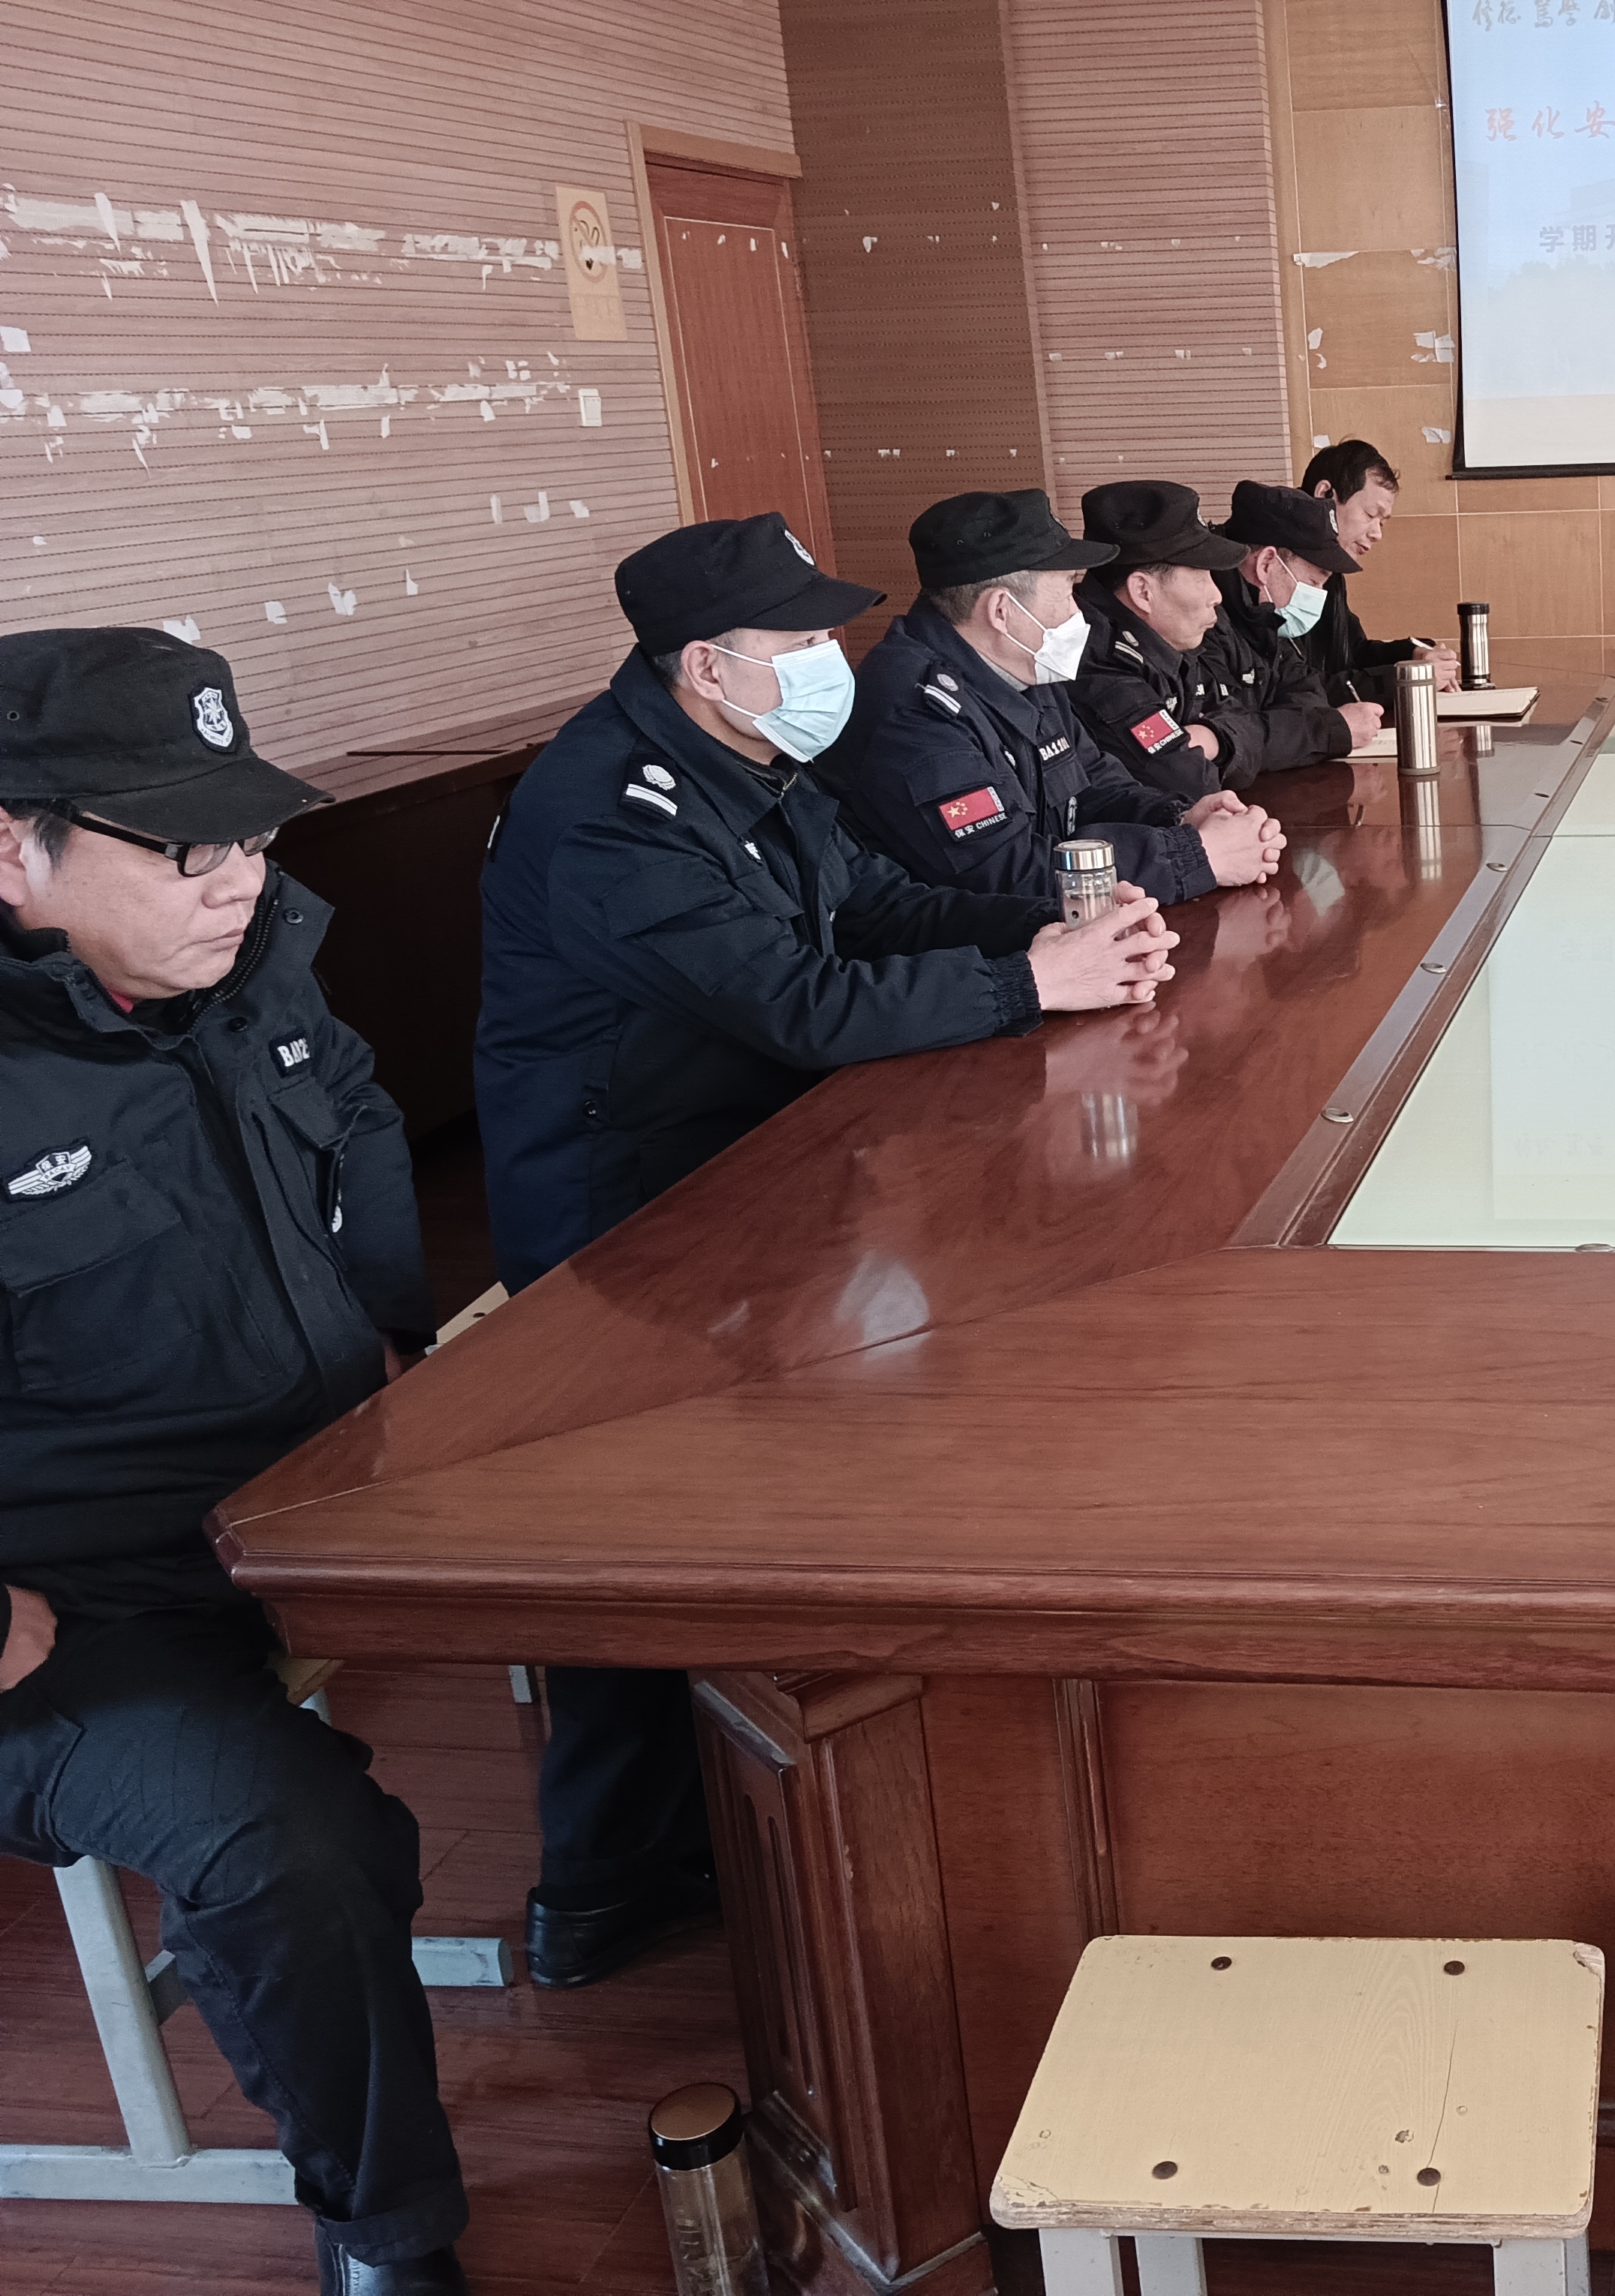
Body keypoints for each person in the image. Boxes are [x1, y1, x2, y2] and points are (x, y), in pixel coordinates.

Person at [477, 512, 1176, 1994]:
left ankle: (758, 1812)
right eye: (798, 642)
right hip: (626, 1217)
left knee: (777, 1498)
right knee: (638, 1542)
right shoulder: (611, 806)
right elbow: (798, 1001)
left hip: (756, 1172)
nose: (827, 662)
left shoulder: (753, 762)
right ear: (708, 666)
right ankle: (602, 1884)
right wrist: (1025, 984)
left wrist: (1073, 926)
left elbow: (881, 907)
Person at [1, 629, 471, 2295]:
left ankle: (628, 1892)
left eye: (256, 835)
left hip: (304, 1501)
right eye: (188, 847)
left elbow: (357, 1126)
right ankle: (386, 2231)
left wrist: (389, 1343)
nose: (242, 881)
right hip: (82, 1604)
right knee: (294, 1849)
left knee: (648, 1556)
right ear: (14, 844)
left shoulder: (249, 969)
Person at [826, 487, 1288, 906]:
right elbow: (1004, 871)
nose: (1078, 610)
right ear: (1003, 611)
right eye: (1067, 590)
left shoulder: (1024, 667)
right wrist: (1193, 855)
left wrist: (1180, 817)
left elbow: (1094, 784)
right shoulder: (915, 712)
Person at [1070, 480, 1268, 800]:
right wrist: (1217, 745)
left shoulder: (1170, 637)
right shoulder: (1097, 662)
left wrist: (1210, 737)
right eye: (1201, 576)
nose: (1217, 595)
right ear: (1143, 591)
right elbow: (1191, 784)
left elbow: (1250, 725)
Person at [1202, 479, 1385, 780]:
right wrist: (1325, 731)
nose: (1319, 595)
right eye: (1314, 582)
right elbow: (1233, 740)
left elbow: (1309, 693)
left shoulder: (1266, 619)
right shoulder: (1205, 624)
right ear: (1266, 564)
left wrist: (1294, 731)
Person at [1298, 439, 1458, 708]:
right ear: (1325, 495)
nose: (1377, 534)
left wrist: (1413, 655)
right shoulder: (1277, 571)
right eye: (1371, 514)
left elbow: (1352, 653)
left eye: (1382, 522)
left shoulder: (1331, 569)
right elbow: (1297, 687)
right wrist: (1403, 678)